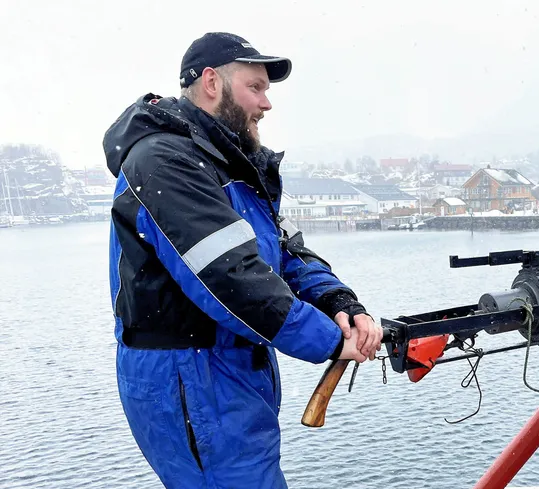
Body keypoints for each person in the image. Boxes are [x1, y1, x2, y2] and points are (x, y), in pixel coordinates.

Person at [103, 32, 383, 488]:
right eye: (256, 88)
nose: (266, 104)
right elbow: (233, 280)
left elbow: (284, 253)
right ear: (212, 82)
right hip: (192, 379)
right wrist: (331, 343)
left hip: (227, 372)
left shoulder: (229, 164)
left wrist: (341, 304)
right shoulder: (165, 162)